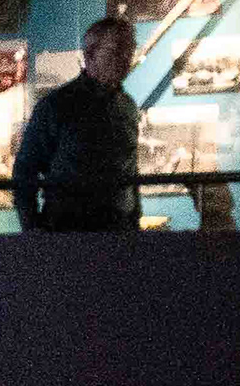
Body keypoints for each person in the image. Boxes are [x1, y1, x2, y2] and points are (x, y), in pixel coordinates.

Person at [10, 14, 143, 232]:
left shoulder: (127, 106)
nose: (126, 59)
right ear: (90, 55)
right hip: (69, 231)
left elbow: (130, 171)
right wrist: (32, 229)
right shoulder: (56, 106)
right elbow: (25, 170)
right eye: (117, 50)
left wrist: (134, 222)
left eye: (130, 50)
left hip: (119, 230)